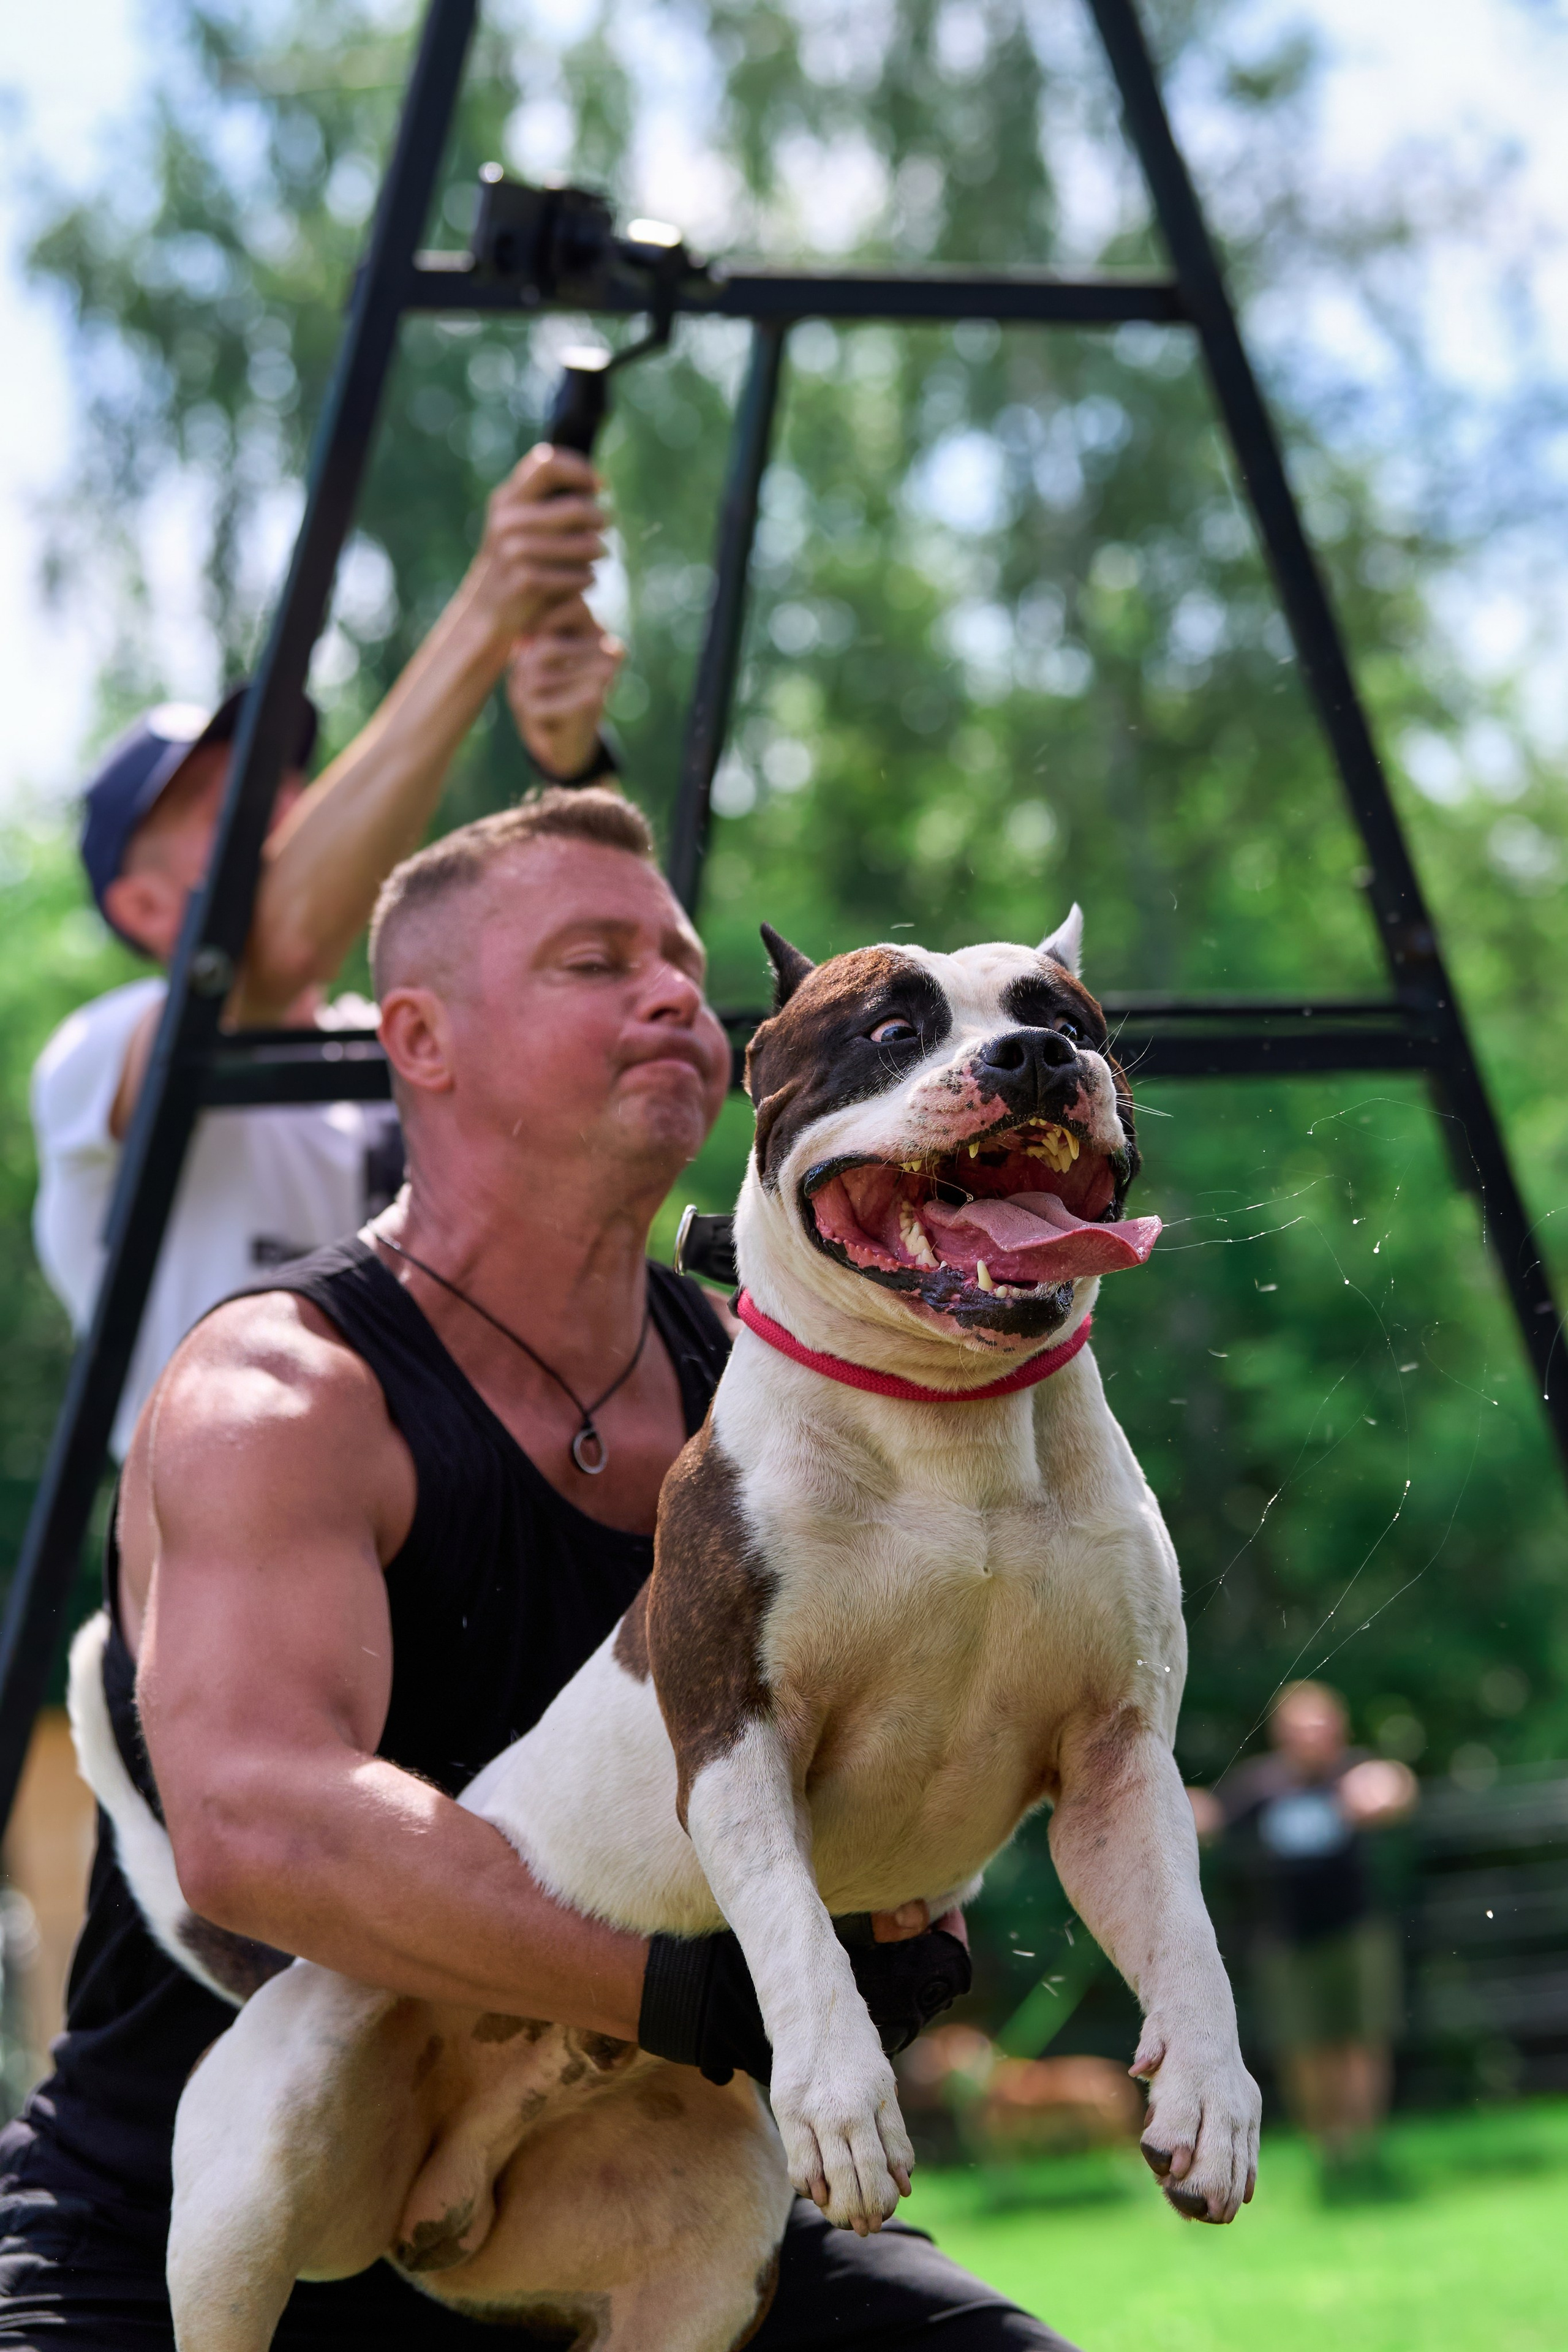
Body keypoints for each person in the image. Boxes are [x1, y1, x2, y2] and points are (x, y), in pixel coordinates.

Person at [0, 786, 1077, 2350]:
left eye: (676, 957)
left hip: (624, 2199)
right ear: (418, 1039)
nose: (665, 987)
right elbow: (257, 1828)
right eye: (592, 959)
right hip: (202, 2232)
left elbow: (927, 1722)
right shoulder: (278, 1392)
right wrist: (676, 1991)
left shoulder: (788, 1388)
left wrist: (899, 1910)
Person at [29, 443, 622, 1459]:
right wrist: (488, 610)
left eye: (291, 786)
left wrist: (572, 769)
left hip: (428, 1558)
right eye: (234, 808)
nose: (292, 811)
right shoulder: (99, 1052)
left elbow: (602, 997)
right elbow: (268, 948)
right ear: (140, 902)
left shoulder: (393, 1047)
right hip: (207, 1575)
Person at [1189, 1680, 1417, 2188]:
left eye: (1321, 1726)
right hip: (1287, 1942)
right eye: (1301, 1728)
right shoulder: (1262, 1785)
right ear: (1281, 1734)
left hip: (1356, 1933)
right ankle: (1329, 2155)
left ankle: (1365, 2150)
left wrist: (1388, 1786)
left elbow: (1397, 1785)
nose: (1312, 1737)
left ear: (1339, 1729)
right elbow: (1212, 1815)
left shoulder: (1354, 1775)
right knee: (1306, 2050)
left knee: (1361, 2043)